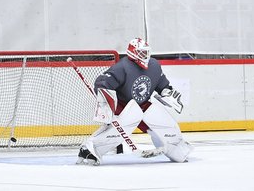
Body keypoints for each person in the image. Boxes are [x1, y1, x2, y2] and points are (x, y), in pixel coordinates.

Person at [77, 37, 192, 165]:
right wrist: (105, 100)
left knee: (164, 123)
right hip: (124, 106)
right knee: (116, 133)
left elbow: (162, 84)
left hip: (143, 105)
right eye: (142, 52)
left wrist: (167, 91)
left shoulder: (154, 66)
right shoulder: (122, 67)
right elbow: (103, 83)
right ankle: (89, 149)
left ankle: (176, 148)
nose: (146, 55)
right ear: (133, 53)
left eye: (146, 52)